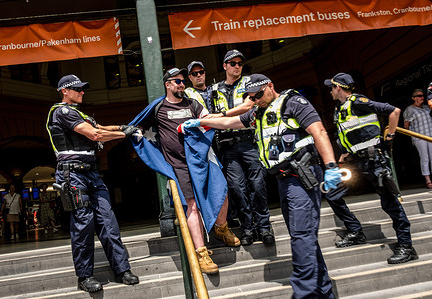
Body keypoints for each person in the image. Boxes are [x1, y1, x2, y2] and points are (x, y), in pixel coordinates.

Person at [184, 74, 342, 298]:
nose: (255, 99)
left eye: (258, 95)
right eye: (251, 97)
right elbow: (230, 122)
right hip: (283, 181)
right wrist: (202, 121)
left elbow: (319, 131)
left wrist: (331, 166)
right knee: (305, 237)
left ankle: (305, 294)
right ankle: (324, 291)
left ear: (270, 86)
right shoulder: (258, 112)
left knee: (301, 236)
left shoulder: (293, 103)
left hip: (301, 177)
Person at [130, 67, 240, 275]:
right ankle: (201, 253)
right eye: (177, 81)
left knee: (222, 191)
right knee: (192, 207)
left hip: (202, 160)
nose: (182, 84)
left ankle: (221, 228)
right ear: (168, 84)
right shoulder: (158, 107)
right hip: (179, 165)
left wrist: (201, 120)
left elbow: (209, 119)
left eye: (183, 81)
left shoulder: (193, 104)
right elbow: (136, 127)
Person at [46, 74, 139, 293]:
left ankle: (122, 270)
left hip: (91, 174)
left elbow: (102, 126)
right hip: (73, 176)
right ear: (64, 91)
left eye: (82, 88)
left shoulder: (80, 113)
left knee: (108, 221)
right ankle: (85, 276)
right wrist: (125, 134)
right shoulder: (63, 111)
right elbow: (95, 134)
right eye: (77, 89)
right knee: (83, 225)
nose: (82, 92)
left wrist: (123, 127)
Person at [324, 72, 418, 264]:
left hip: (374, 161)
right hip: (354, 162)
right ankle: (356, 232)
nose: (330, 91)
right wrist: (344, 154)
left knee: (390, 204)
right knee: (332, 194)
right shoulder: (339, 107)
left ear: (339, 87)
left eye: (331, 87)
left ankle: (407, 247)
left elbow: (395, 111)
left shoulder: (358, 101)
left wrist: (390, 136)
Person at [211, 50, 274, 246]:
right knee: (237, 188)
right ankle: (248, 227)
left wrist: (222, 115)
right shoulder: (214, 89)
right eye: (232, 63)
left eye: (239, 63)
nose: (237, 66)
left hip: (249, 142)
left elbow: (248, 107)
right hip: (227, 146)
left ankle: (264, 227)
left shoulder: (250, 83)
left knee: (258, 186)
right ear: (224, 66)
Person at [403, 88, 432, 188]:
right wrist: (414, 134)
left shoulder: (426, 107)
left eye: (422, 95)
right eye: (419, 96)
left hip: (430, 135)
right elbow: (406, 125)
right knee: (425, 158)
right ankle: (428, 180)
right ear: (413, 98)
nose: (422, 97)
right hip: (419, 137)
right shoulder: (410, 110)